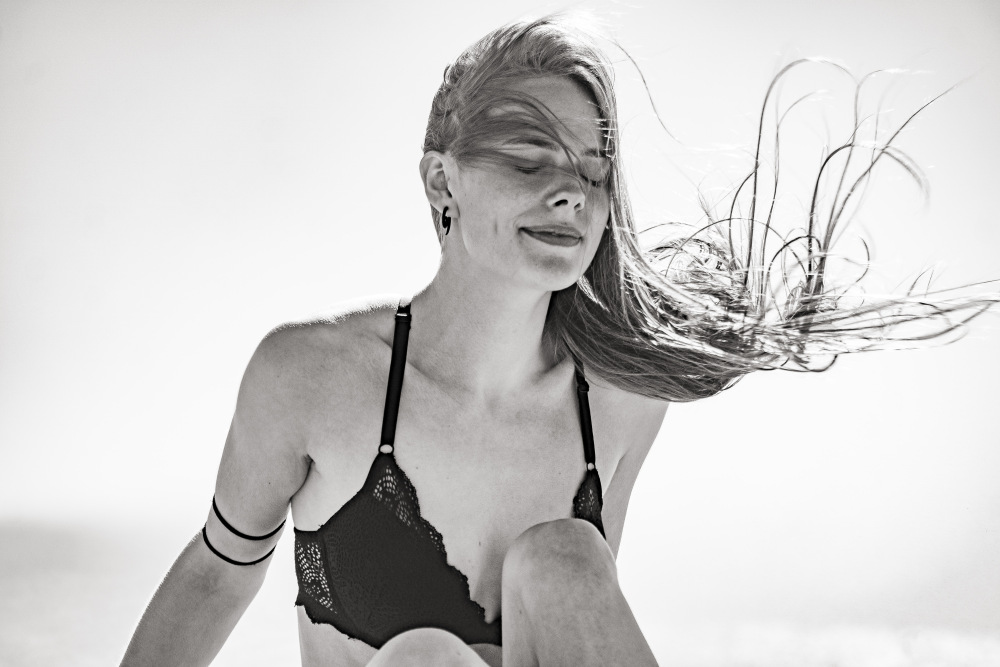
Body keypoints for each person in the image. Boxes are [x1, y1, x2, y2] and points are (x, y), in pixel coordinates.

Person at [119, 15, 996, 667]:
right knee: (424, 658)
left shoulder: (618, 402)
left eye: (592, 170)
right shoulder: (312, 377)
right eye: (529, 161)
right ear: (442, 181)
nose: (571, 194)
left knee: (565, 556)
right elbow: (216, 575)